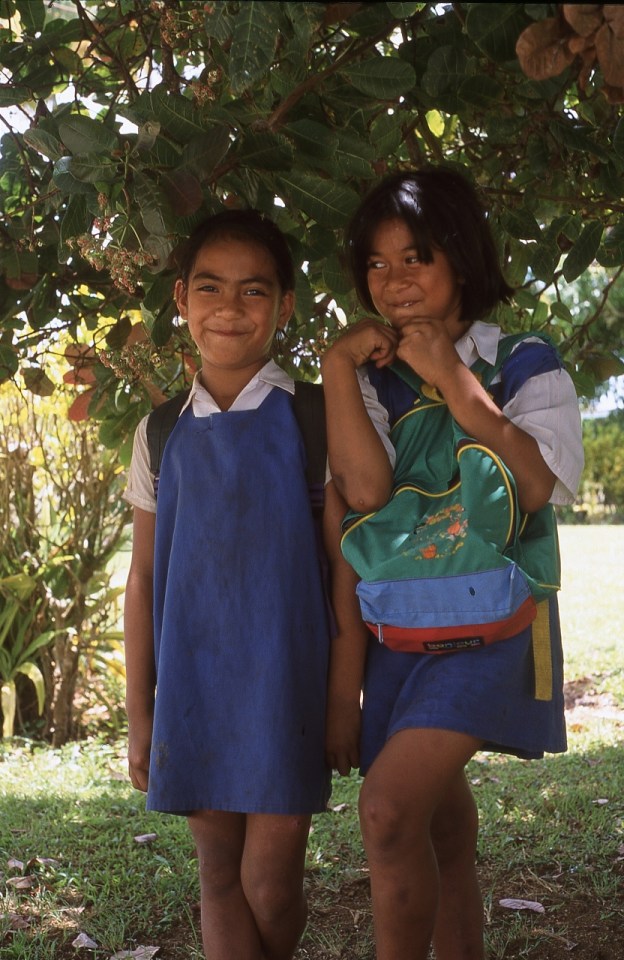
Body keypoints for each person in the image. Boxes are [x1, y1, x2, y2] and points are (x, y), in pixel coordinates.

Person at [320, 166, 584, 960]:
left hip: (498, 617)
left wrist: (456, 383)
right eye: (376, 262)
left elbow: (535, 485)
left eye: (416, 257)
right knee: (437, 821)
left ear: (462, 258)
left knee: (388, 810)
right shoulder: (367, 375)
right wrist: (337, 369)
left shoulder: (526, 361)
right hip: (403, 623)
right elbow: (365, 489)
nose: (393, 280)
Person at [122, 209, 333, 960]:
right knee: (217, 876)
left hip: (286, 684)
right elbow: (144, 580)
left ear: (284, 305)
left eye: (253, 291)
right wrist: (139, 714)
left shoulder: (315, 417)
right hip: (193, 688)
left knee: (271, 885)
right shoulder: (159, 432)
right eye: (210, 288)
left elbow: (342, 569)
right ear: (180, 299)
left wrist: (344, 695)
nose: (229, 308)